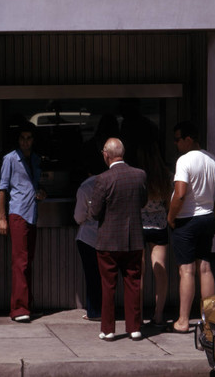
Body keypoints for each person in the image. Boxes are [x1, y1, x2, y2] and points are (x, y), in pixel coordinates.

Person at [167, 121, 215, 333]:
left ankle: (183, 321)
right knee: (205, 267)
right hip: (207, 218)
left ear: (188, 139)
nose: (176, 143)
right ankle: (209, 321)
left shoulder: (184, 161)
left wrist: (171, 217)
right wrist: (214, 213)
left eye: (178, 139)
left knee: (186, 270)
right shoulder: (213, 160)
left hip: (186, 220)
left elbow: (180, 193)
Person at [90, 138, 147, 341]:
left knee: (108, 286)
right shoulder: (140, 175)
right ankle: (134, 327)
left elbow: (95, 213)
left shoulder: (103, 179)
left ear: (106, 154)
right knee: (133, 283)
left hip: (108, 241)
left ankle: (108, 329)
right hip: (133, 239)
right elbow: (143, 202)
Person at [0, 122, 46, 323]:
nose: (26, 142)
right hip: (17, 213)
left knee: (27, 261)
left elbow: (34, 186)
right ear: (18, 140)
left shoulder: (35, 160)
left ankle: (26, 303)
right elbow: (2, 188)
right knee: (20, 262)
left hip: (32, 212)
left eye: (29, 138)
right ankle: (19, 308)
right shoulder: (10, 159)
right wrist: (2, 217)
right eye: (22, 138)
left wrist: (41, 193)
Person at [137, 142, 172, 328]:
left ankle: (139, 315)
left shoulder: (137, 175)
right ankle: (158, 314)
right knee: (160, 270)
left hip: (139, 224)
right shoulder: (165, 175)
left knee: (139, 272)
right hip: (159, 224)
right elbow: (169, 201)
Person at [74, 166, 103, 321]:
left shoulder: (85, 187)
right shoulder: (111, 182)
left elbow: (78, 216)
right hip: (109, 236)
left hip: (88, 237)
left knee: (92, 276)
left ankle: (94, 310)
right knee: (107, 276)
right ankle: (105, 309)